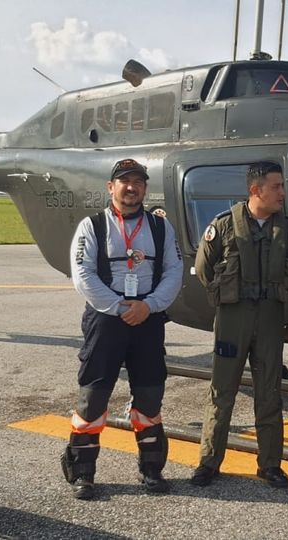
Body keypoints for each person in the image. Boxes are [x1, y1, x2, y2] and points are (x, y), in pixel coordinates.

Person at [62, 158, 184, 500]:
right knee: (93, 397)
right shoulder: (92, 226)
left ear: (145, 188)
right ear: (111, 187)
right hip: (106, 318)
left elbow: (174, 270)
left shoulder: (161, 227)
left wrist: (149, 305)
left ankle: (151, 469)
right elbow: (83, 275)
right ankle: (83, 473)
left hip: (148, 318)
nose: (132, 187)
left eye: (138, 182)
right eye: (124, 181)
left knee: (150, 396)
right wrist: (120, 307)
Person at [190, 162, 288, 489]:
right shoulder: (224, 225)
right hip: (233, 318)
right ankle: (208, 462)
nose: (282, 193)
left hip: (270, 317)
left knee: (269, 392)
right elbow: (204, 268)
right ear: (256, 190)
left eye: (282, 186)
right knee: (221, 391)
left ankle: (270, 464)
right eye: (276, 187)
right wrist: (231, 293)